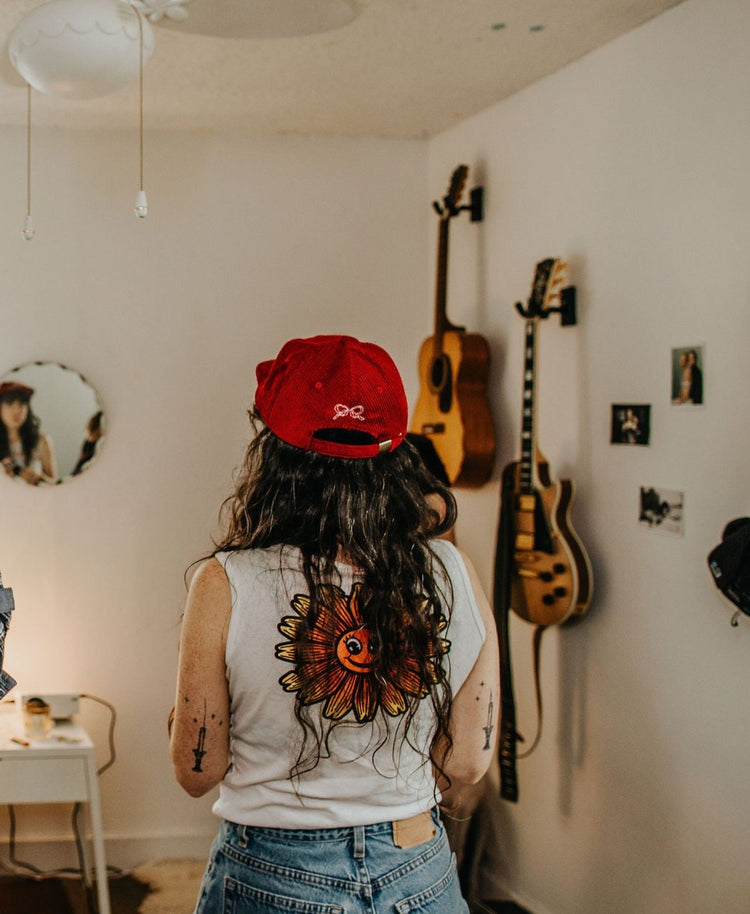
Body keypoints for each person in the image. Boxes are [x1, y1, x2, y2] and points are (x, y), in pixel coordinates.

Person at [170, 334, 499, 914]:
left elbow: (198, 772)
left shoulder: (225, 582)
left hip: (274, 874)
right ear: (397, 455)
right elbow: (467, 763)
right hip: (418, 871)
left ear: (273, 455)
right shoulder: (451, 571)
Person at [0, 382, 58, 486]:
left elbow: (55, 484)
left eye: (22, 405)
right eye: (10, 405)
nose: (16, 411)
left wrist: (39, 478)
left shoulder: (41, 440)